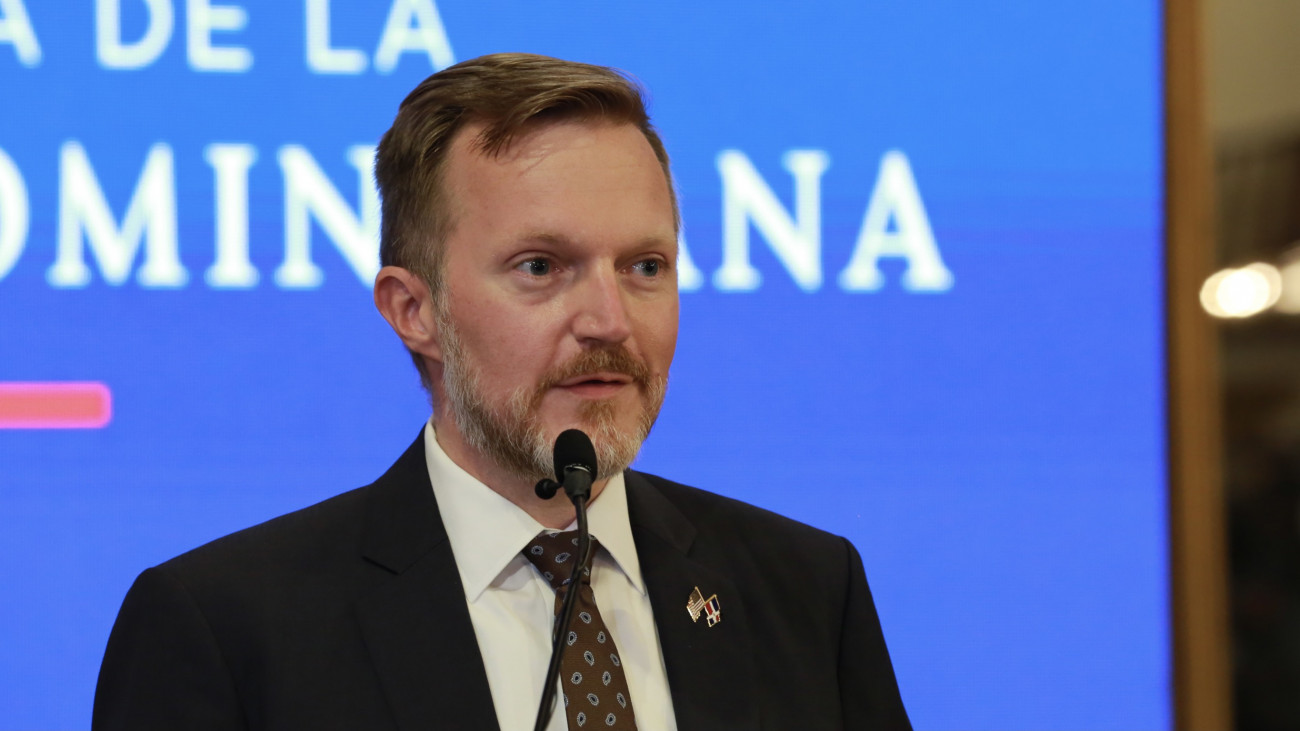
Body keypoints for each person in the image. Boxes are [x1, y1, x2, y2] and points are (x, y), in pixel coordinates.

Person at [93, 53, 911, 731]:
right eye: (541, 267)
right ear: (413, 310)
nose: (609, 320)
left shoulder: (806, 589)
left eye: (645, 266)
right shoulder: (228, 629)